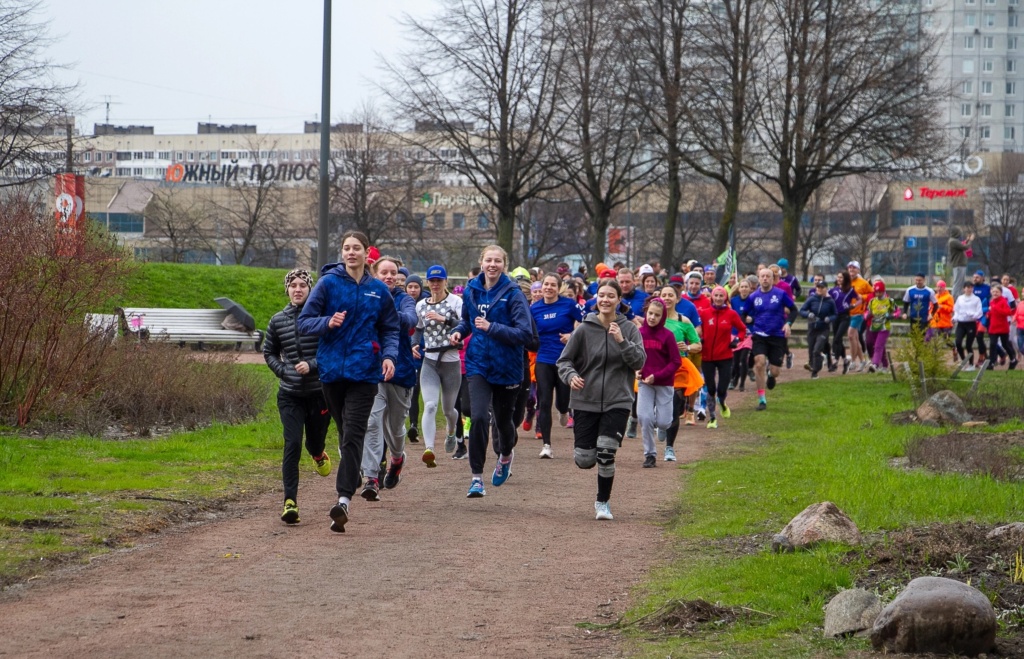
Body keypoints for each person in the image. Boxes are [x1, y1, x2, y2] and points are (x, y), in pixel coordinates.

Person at [298, 231, 400, 533]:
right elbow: (304, 321)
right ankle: (352, 473)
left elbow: (391, 329)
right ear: (341, 252)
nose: (351, 253)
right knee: (345, 434)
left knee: (354, 432)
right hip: (331, 372)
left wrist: (389, 357)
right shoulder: (328, 284)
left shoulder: (378, 290)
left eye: (356, 248)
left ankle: (342, 501)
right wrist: (327, 323)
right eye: (346, 248)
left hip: (365, 372)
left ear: (367, 253)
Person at [557, 279, 646, 520]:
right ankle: (592, 449)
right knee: (585, 460)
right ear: (596, 300)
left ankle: (603, 503)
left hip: (619, 400)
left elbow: (639, 362)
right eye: (601, 295)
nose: (605, 300)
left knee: (606, 452)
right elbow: (564, 361)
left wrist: (621, 340)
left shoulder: (629, 329)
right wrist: (571, 375)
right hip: (585, 399)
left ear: (619, 300)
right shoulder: (584, 329)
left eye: (610, 296)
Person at [450, 245, 533, 498]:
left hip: (507, 367)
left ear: (504, 265)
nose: (492, 265)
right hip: (478, 364)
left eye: (498, 261)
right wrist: (459, 332)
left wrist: (491, 327)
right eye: (488, 260)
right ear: (482, 262)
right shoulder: (472, 290)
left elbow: (524, 334)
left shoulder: (513, 294)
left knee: (503, 422)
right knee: (478, 418)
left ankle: (506, 455)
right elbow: (467, 321)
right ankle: (476, 477)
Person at [264, 269, 333, 525]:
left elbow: (331, 350)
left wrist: (311, 365)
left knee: (313, 443)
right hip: (290, 395)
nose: (297, 289)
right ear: (287, 289)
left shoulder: (320, 318)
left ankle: (317, 454)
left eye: (302, 285)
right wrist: (284, 370)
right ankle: (290, 502)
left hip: (319, 394)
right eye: (293, 285)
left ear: (310, 289)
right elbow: (269, 352)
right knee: (292, 444)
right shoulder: (277, 320)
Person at [358, 255, 418, 502]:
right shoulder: (366, 295)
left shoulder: (404, 300)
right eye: (384, 272)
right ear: (375, 273)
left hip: (401, 372)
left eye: (393, 273)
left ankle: (397, 458)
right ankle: (371, 477)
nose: (389, 276)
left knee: (394, 428)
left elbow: (411, 320)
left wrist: (386, 310)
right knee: (372, 421)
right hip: (374, 370)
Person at [413, 265, 464, 465]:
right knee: (431, 404)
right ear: (427, 282)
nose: (435, 284)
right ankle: (429, 449)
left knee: (448, 410)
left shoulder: (455, 302)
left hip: (451, 361)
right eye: (432, 281)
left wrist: (443, 319)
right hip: (430, 361)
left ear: (445, 281)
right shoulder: (421, 305)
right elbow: (418, 329)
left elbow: (463, 325)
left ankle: (451, 431)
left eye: (439, 281)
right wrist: (414, 344)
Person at [531, 273, 582, 458]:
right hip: (543, 359)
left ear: (558, 288)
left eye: (553, 285)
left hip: (565, 361)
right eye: (546, 284)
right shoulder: (534, 309)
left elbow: (586, 323)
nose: (549, 288)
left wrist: (573, 335)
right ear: (541, 286)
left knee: (562, 402)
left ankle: (563, 411)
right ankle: (546, 445)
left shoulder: (568, 304)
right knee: (543, 401)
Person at [657, 285, 703, 461]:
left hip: (679, 367)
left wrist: (688, 347)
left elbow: (698, 345)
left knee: (675, 407)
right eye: (664, 295)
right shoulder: (653, 318)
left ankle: (669, 448)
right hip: (657, 366)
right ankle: (660, 422)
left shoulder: (684, 321)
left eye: (671, 295)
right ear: (659, 298)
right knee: (659, 406)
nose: (667, 298)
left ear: (677, 299)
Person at [636, 297, 681, 466]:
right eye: (650, 313)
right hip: (645, 384)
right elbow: (635, 357)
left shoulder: (667, 336)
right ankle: (650, 455)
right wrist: (637, 370)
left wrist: (658, 376)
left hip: (664, 383)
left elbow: (676, 361)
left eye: (656, 315)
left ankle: (660, 426)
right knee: (644, 417)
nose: (652, 317)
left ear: (662, 317)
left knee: (663, 422)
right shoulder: (640, 333)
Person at [698, 286, 746, 428]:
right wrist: (698, 339)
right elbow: (696, 328)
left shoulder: (731, 314)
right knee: (711, 388)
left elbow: (742, 329)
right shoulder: (704, 314)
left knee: (722, 389)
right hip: (707, 356)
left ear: (726, 298)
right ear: (711, 297)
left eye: (721, 296)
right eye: (716, 295)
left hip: (725, 356)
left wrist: (737, 340)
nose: (718, 298)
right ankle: (712, 418)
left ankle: (723, 403)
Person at [748, 267, 796, 411]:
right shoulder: (753, 297)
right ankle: (762, 400)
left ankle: (771, 374)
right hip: (760, 335)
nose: (765, 279)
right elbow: (744, 314)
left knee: (775, 370)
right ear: (759, 278)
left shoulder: (780, 294)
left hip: (777, 336)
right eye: (762, 276)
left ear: (773, 278)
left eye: (768, 276)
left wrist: (788, 324)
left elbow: (794, 310)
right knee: (759, 363)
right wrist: (748, 320)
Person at [799, 281, 838, 379]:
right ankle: (817, 363)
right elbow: (802, 310)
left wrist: (829, 318)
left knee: (817, 350)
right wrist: (808, 314)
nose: (820, 289)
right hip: (812, 328)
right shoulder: (812, 299)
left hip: (823, 329)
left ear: (826, 289)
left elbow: (835, 314)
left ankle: (815, 372)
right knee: (811, 350)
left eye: (822, 287)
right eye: (818, 287)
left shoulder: (830, 301)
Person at [864, 280, 898, 373]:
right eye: (876, 292)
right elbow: (868, 311)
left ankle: (875, 364)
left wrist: (892, 315)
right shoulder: (872, 301)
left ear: (883, 291)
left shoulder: (889, 301)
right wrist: (866, 315)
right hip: (874, 326)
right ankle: (885, 365)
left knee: (878, 346)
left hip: (884, 327)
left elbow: (897, 311)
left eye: (880, 292)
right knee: (870, 343)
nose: (878, 294)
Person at [829, 271, 858, 374]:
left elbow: (859, 299)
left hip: (845, 316)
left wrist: (853, 305)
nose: (839, 279)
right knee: (838, 339)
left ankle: (835, 361)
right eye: (838, 277)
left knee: (837, 338)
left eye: (841, 277)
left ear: (845, 279)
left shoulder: (850, 290)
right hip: (835, 317)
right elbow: (829, 300)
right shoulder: (833, 290)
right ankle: (845, 359)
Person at [846, 261, 874, 372]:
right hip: (847, 313)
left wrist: (862, 297)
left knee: (850, 335)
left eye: (854, 268)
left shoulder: (863, 282)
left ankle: (853, 361)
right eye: (850, 268)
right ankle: (862, 360)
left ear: (858, 270)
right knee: (855, 338)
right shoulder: (845, 281)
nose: (851, 270)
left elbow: (872, 294)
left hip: (858, 313)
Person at [729, 278, 754, 390]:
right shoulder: (734, 301)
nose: (744, 289)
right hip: (735, 333)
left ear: (750, 289)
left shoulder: (753, 300)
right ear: (739, 289)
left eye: (746, 287)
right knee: (735, 361)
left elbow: (758, 315)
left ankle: (742, 384)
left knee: (744, 359)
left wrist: (752, 319)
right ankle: (735, 378)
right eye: (742, 287)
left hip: (748, 333)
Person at [987, 283, 1018, 370]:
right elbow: (992, 312)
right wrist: (988, 313)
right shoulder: (991, 301)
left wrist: (995, 308)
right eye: (993, 292)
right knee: (992, 344)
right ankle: (992, 362)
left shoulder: (1003, 301)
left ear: (1001, 293)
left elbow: (1008, 312)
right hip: (993, 327)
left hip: (1002, 327)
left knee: (1005, 344)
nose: (995, 293)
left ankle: (1013, 359)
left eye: (997, 292)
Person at [948, 227, 974, 298]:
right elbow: (965, 247)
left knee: (960, 282)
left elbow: (962, 245)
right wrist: (970, 241)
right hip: (958, 264)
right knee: (958, 283)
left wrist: (967, 240)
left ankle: (957, 296)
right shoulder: (953, 241)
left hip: (959, 264)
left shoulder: (954, 241)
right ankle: (955, 298)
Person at [927, 281, 954, 346]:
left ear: (944, 288)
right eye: (938, 287)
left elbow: (951, 309)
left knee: (947, 341)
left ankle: (954, 349)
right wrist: (929, 315)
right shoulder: (934, 297)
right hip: (934, 322)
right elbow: (931, 308)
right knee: (927, 338)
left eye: (941, 287)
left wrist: (942, 307)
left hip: (945, 323)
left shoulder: (949, 297)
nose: (939, 288)